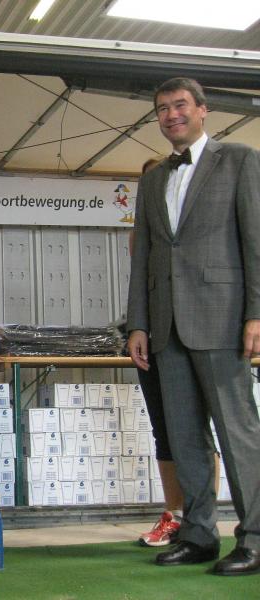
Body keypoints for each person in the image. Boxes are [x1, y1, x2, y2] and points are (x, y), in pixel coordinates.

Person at [127, 77, 260, 575]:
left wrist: (256, 313)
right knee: (185, 439)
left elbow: (256, 241)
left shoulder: (240, 160)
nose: (171, 115)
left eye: (180, 105)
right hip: (165, 327)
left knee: (238, 435)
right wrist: (138, 323)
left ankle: (256, 539)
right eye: (162, 108)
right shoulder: (152, 180)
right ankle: (199, 535)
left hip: (222, 320)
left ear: (203, 110)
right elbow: (144, 258)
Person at [132, 157, 221, 548]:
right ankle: (176, 514)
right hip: (156, 337)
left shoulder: (201, 227)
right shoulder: (141, 235)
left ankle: (203, 518)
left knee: (199, 430)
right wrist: (138, 328)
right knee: (165, 431)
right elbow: (140, 282)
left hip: (199, 334)